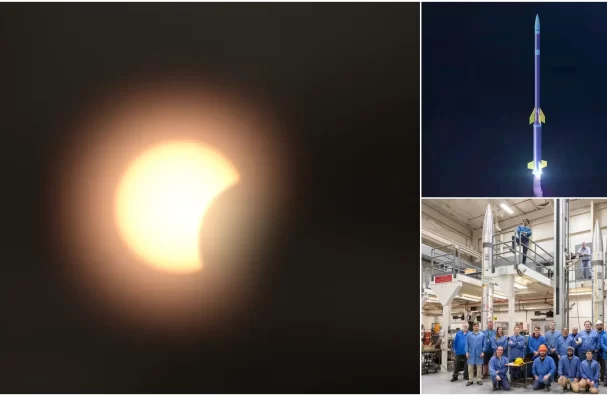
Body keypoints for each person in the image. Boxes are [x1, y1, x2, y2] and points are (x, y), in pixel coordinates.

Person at [466, 322, 486, 386]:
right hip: (471, 353)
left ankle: (479, 379)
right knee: (470, 367)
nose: (476, 327)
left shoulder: (482, 335)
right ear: (473, 327)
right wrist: (466, 352)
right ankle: (470, 380)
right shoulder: (469, 335)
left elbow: (484, 344)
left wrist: (483, 352)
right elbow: (466, 344)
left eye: (477, 326)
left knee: (479, 367)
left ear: (478, 327)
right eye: (475, 326)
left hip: (479, 353)